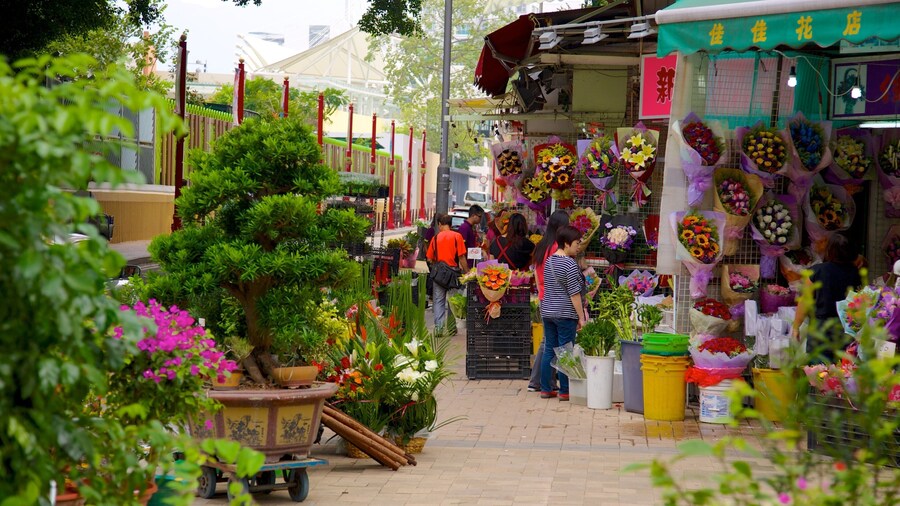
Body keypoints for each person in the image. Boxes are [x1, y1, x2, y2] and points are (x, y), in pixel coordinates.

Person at [792, 233, 862, 363]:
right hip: (846, 329)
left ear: (829, 250)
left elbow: (805, 302)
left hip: (820, 330)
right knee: (844, 370)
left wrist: (796, 327)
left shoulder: (817, 271)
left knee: (819, 371)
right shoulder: (855, 273)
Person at [539, 225, 586, 401]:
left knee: (549, 350)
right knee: (566, 351)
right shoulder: (569, 264)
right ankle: (565, 390)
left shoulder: (549, 261)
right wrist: (581, 318)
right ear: (566, 243)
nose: (578, 246)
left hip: (548, 311)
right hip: (565, 313)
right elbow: (574, 294)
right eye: (576, 243)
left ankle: (546, 388)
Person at [527, 210, 569, 392]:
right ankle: (538, 381)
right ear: (560, 227)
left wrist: (540, 293)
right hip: (555, 297)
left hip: (545, 296)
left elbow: (537, 274)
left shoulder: (542, 245)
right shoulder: (556, 248)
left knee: (548, 341)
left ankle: (541, 381)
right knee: (550, 342)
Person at [427, 214, 468, 334]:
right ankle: (451, 327)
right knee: (452, 300)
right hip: (453, 274)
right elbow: (461, 257)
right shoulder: (457, 236)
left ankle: (439, 328)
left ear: (440, 224)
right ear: (450, 224)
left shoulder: (435, 238)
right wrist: (467, 272)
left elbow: (429, 258)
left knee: (438, 300)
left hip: (439, 275)